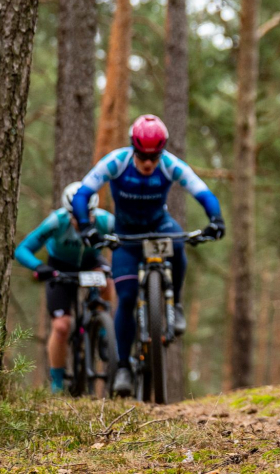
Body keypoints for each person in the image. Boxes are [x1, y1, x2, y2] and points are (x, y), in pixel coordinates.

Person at [72, 114, 226, 397]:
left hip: (159, 226)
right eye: (143, 156)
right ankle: (123, 368)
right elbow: (82, 193)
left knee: (178, 244)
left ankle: (175, 304)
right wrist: (85, 226)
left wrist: (215, 219)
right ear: (134, 148)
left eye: (154, 157)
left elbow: (203, 192)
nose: (148, 163)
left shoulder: (170, 165)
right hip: (126, 236)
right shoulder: (117, 162)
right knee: (127, 297)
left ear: (161, 152)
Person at [14, 182, 116, 394]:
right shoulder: (56, 221)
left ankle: (103, 331)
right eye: (75, 216)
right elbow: (22, 249)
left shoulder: (106, 221)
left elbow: (125, 243)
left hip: (91, 262)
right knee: (61, 327)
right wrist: (39, 266)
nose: (81, 220)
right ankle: (58, 382)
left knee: (107, 281)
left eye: (88, 215)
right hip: (59, 267)